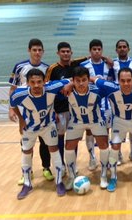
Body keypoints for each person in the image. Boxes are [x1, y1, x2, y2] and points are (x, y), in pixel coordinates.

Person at [91, 68, 132, 192]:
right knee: (115, 147)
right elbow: (93, 79)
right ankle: (113, 177)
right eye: (122, 81)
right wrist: (71, 83)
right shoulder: (110, 87)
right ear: (118, 81)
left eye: (129, 80)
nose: (126, 84)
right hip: (119, 121)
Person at [10, 68, 69, 200]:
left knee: (54, 149)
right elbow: (13, 105)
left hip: (48, 126)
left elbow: (70, 80)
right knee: (26, 151)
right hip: (29, 127)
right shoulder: (19, 94)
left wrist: (69, 86)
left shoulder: (52, 87)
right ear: (28, 83)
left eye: (39, 82)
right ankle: (27, 184)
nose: (36, 85)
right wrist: (20, 120)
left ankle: (59, 182)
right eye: (33, 82)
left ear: (44, 81)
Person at [8, 38, 53, 185]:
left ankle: (46, 168)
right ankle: (27, 172)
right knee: (26, 142)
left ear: (43, 51)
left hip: (43, 111)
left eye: (40, 50)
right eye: (34, 50)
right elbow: (13, 89)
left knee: (44, 141)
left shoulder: (47, 68)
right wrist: (11, 108)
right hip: (25, 112)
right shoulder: (19, 67)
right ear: (29, 50)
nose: (37, 53)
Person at [63, 66, 110, 190]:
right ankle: (72, 176)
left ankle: (104, 175)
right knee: (68, 147)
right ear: (73, 80)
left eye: (84, 80)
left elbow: (112, 86)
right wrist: (68, 83)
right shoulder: (67, 90)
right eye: (77, 80)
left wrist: (94, 79)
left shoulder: (98, 90)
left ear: (88, 79)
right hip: (77, 121)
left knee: (104, 145)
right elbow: (49, 86)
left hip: (96, 121)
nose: (81, 83)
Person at [45, 41, 88, 174]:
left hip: (74, 110)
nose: (65, 54)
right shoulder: (52, 69)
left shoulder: (75, 65)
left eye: (68, 51)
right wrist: (52, 111)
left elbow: (90, 57)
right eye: (63, 51)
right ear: (58, 53)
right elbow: (47, 90)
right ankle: (61, 165)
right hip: (59, 110)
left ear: (71, 52)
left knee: (73, 139)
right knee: (60, 139)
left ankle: (72, 165)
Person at [80, 39, 114, 170]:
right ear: (90, 51)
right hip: (90, 104)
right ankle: (92, 157)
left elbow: (111, 82)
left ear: (102, 50)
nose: (97, 51)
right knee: (90, 131)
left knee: (105, 131)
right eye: (94, 49)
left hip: (106, 104)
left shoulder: (108, 65)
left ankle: (106, 158)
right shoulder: (83, 65)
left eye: (99, 49)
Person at [111, 39, 132, 166]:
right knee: (118, 128)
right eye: (120, 47)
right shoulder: (112, 63)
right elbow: (110, 79)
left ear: (128, 49)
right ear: (116, 49)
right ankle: (118, 154)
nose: (122, 49)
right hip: (117, 99)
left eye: (124, 46)